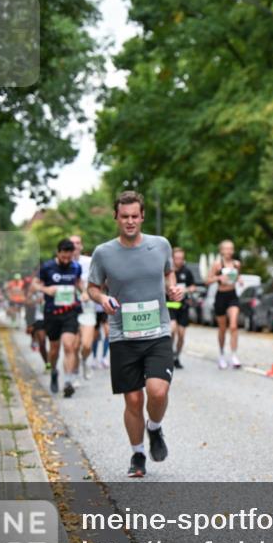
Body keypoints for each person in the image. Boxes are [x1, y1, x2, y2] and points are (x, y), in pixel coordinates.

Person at [87, 190, 184, 479]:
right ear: (116, 217)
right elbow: (92, 287)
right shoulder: (104, 253)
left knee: (158, 390)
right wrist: (102, 299)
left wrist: (173, 288)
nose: (130, 221)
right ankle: (138, 453)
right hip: (122, 335)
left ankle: (154, 427)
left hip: (157, 332)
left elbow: (169, 273)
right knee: (132, 401)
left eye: (135, 216)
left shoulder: (160, 245)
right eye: (124, 216)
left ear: (142, 217)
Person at [32, 240, 84, 397]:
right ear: (58, 253)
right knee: (54, 349)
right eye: (64, 257)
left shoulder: (76, 267)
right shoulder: (47, 267)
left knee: (69, 346)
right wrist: (46, 289)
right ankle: (54, 370)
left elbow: (79, 283)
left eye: (70, 257)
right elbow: (34, 285)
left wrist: (86, 292)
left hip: (70, 312)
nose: (67, 260)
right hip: (52, 313)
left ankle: (68, 382)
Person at [206, 239, 243, 369]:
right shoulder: (217, 265)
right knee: (222, 328)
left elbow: (238, 276)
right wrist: (218, 278)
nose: (228, 251)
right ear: (221, 251)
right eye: (226, 249)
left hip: (232, 296)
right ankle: (222, 354)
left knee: (233, 326)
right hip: (220, 297)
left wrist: (240, 279)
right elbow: (207, 280)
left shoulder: (236, 264)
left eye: (231, 249)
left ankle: (234, 355)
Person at [70, 235, 98, 380]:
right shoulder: (63, 264)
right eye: (72, 243)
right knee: (73, 346)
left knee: (87, 345)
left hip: (87, 308)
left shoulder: (90, 262)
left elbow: (100, 281)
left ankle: (84, 360)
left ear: (81, 246)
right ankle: (73, 374)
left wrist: (89, 292)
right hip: (69, 310)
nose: (75, 245)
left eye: (77, 243)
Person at [168, 247, 197, 369]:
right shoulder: (168, 271)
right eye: (176, 258)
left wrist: (185, 290)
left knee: (181, 334)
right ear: (172, 258)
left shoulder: (187, 271)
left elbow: (193, 287)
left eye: (181, 258)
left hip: (183, 306)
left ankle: (176, 357)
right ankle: (168, 356)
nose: (178, 261)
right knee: (172, 329)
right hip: (170, 305)